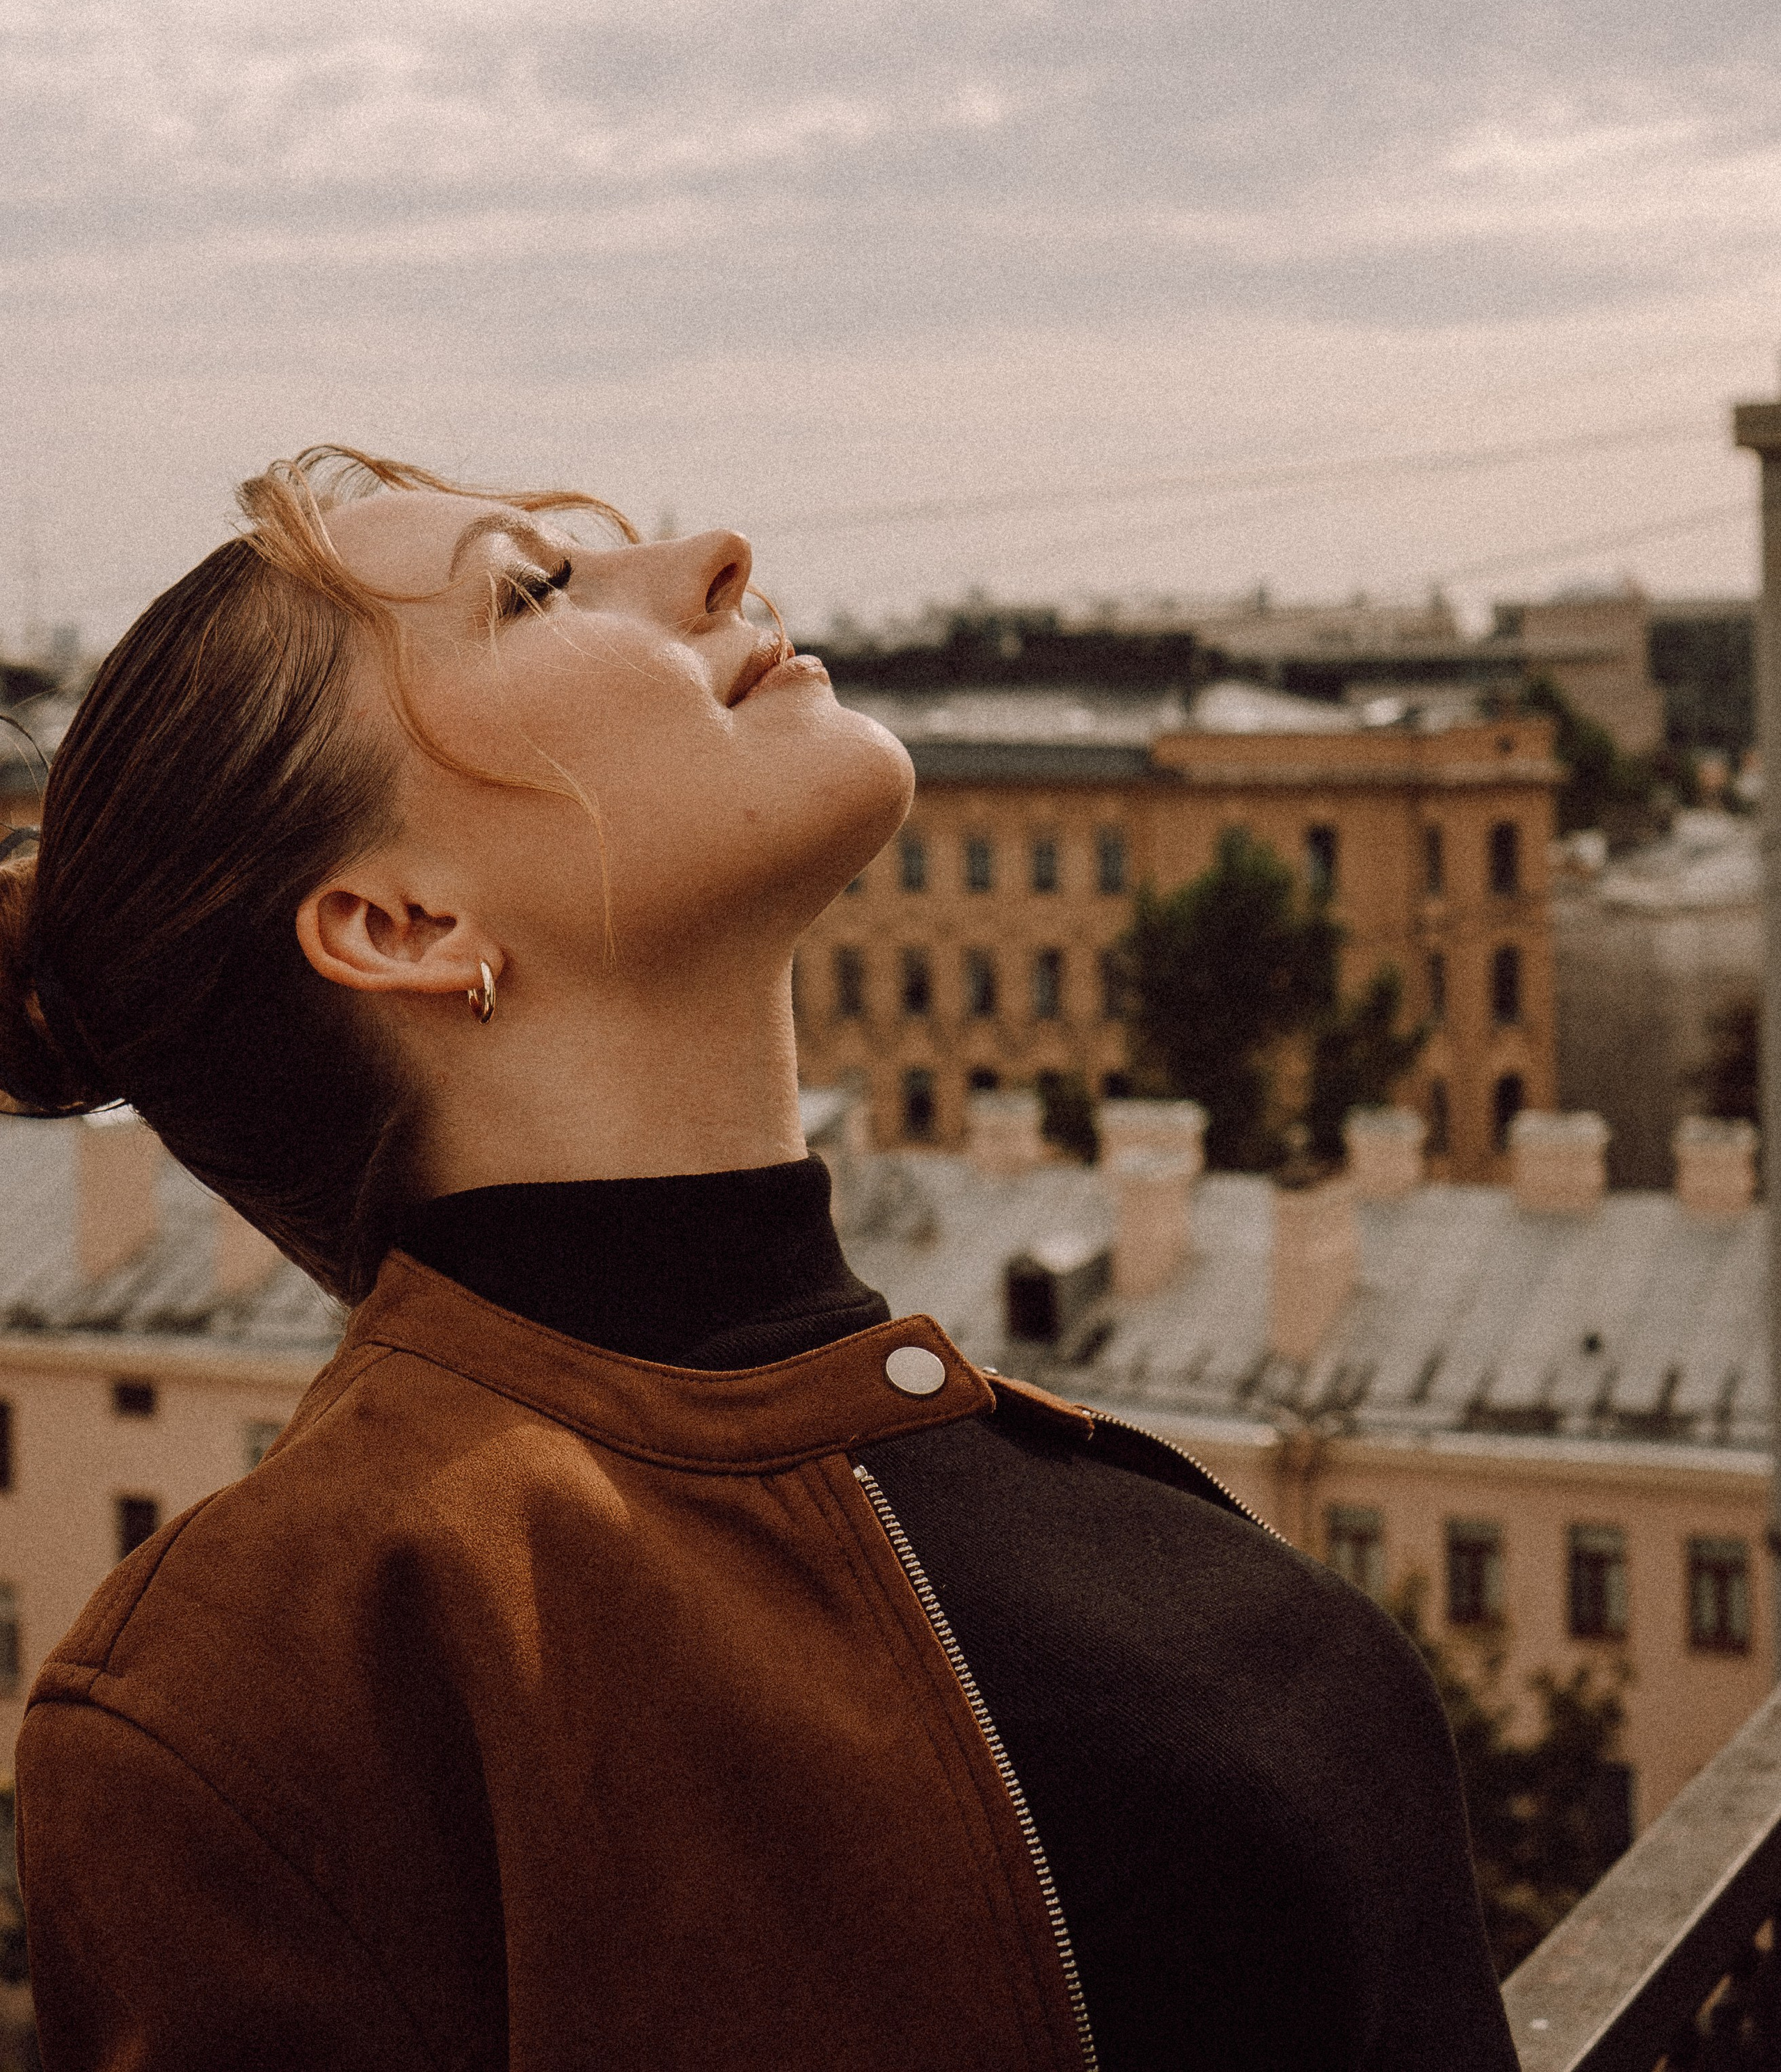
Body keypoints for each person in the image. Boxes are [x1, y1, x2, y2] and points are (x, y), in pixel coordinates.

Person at [0, 449, 1517, 2072]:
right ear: (401, 923)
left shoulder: (1105, 1506)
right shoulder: (270, 1690)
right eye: (531, 590)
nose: (719, 557)